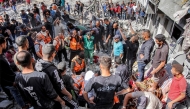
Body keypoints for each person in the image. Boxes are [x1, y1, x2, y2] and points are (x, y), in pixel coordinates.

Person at [35, 44, 78, 109]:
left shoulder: (37, 64)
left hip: (44, 95)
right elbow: (60, 86)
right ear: (53, 54)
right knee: (75, 104)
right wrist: (68, 94)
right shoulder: (53, 70)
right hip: (56, 94)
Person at [0, 37, 26, 108]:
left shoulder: (2, 55)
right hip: (10, 82)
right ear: (2, 44)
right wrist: (11, 83)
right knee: (17, 94)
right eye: (5, 42)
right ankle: (23, 106)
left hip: (11, 79)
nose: (6, 44)